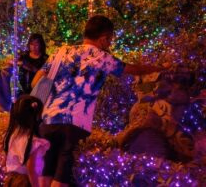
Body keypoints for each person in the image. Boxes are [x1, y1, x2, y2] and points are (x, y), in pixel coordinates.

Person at [32, 15, 164, 187]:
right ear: (103, 39)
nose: (109, 45)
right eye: (109, 40)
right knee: (62, 174)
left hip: (48, 120)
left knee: (47, 168)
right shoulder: (102, 57)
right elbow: (133, 69)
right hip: (73, 124)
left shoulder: (60, 52)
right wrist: (159, 68)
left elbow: (36, 82)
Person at [4, 95, 51, 187]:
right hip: (25, 182)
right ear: (36, 117)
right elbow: (31, 168)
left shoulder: (13, 137)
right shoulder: (34, 143)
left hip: (11, 180)